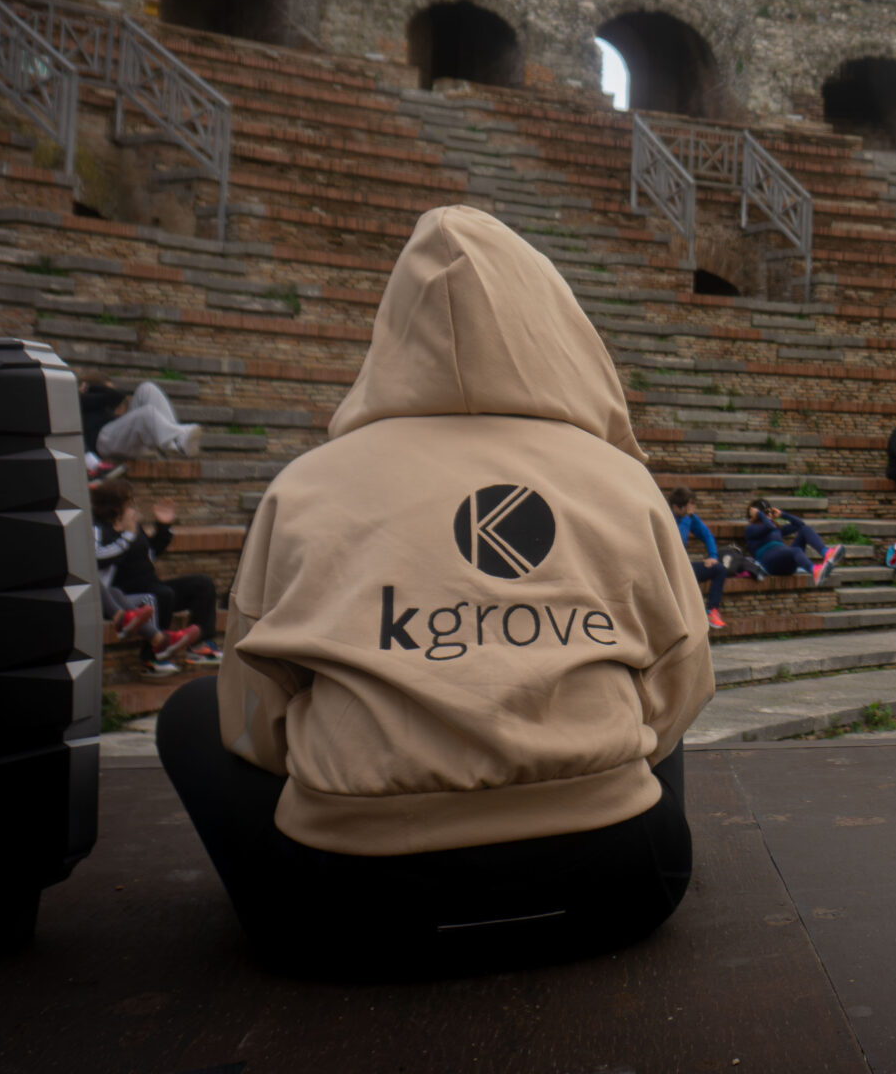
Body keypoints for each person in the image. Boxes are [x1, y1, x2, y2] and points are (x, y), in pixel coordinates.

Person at [156, 205, 709, 978]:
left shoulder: (306, 486)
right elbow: (682, 687)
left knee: (189, 715)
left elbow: (254, 718)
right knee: (643, 694)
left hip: (348, 909)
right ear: (554, 326)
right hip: (621, 885)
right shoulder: (622, 481)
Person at [92, 478, 221, 666]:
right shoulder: (99, 527)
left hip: (152, 585)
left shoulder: (132, 525)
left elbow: (150, 552)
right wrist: (126, 535)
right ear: (114, 504)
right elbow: (99, 558)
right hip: (125, 594)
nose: (133, 505)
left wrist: (163, 526)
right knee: (162, 594)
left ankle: (199, 646)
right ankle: (152, 658)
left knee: (202, 584)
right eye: (129, 501)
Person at [95, 378, 204, 462]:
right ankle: (175, 441)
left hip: (124, 440)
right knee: (147, 413)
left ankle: (176, 439)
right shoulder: (87, 400)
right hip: (103, 441)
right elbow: (115, 395)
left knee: (147, 389)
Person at [669, 488, 730, 629]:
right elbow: (678, 540)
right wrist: (687, 518)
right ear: (676, 507)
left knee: (719, 569)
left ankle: (712, 611)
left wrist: (713, 556)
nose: (690, 511)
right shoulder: (667, 517)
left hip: (684, 568)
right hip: (668, 569)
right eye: (687, 507)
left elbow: (707, 535)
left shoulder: (688, 518)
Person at [743, 500, 835, 584]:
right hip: (770, 563)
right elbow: (769, 527)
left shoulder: (775, 528)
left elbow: (800, 524)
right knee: (796, 550)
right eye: (766, 513)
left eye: (770, 512)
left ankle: (826, 552)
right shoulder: (751, 529)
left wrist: (783, 514)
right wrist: (760, 514)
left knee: (805, 529)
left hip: (784, 560)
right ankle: (814, 571)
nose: (769, 515)